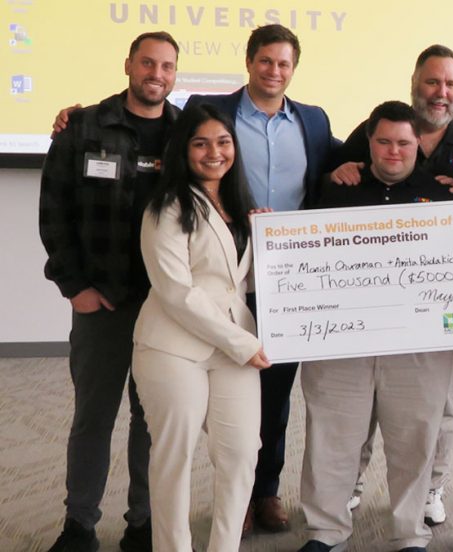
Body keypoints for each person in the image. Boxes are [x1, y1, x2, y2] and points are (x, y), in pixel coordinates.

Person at [184, 23, 340, 534]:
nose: (275, 71)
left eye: (284, 64)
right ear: (249, 62)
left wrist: (349, 169)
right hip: (226, 271)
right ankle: (235, 495)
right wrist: (77, 116)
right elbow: (166, 141)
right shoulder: (213, 112)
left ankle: (266, 492)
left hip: (290, 279)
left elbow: (358, 151)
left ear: (294, 69)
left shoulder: (313, 120)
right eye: (266, 61)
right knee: (229, 392)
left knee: (275, 393)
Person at [38, 31, 181, 552]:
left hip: (166, 309)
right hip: (100, 303)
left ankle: (143, 523)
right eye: (148, 63)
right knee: (92, 419)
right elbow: (54, 210)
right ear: (128, 65)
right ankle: (80, 525)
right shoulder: (83, 126)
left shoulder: (186, 134)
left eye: (167, 66)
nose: (156, 74)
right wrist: (73, 287)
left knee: (153, 422)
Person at [298, 101, 453, 552]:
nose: (393, 151)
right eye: (383, 141)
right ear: (369, 142)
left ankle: (410, 535)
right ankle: (325, 532)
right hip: (340, 342)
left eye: (404, 143)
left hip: (418, 346)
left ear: (418, 145)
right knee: (330, 436)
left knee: (414, 440)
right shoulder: (334, 189)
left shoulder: (444, 196)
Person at [328, 44, 453, 524]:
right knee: (363, 401)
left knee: (439, 406)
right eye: (432, 82)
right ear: (415, 82)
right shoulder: (376, 126)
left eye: (450, 83)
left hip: (439, 306)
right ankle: (349, 484)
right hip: (368, 303)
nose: (441, 92)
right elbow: (339, 178)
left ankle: (431, 488)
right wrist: (342, 169)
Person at [133, 104, 271, 551]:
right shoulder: (167, 206)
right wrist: (242, 343)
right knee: (175, 457)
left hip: (233, 347)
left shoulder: (241, 205)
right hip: (175, 348)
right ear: (183, 150)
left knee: (241, 453)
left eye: (223, 141)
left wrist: (270, 237)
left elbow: (239, 280)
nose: (214, 152)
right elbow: (177, 292)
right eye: (201, 142)